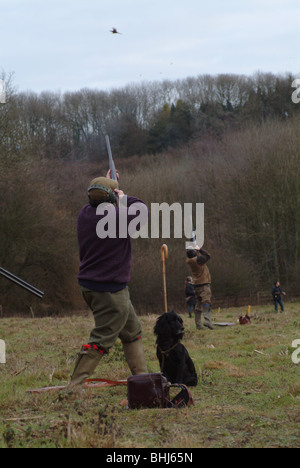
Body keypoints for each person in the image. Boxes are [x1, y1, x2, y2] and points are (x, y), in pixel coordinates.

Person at [69, 171, 148, 386]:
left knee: (132, 332)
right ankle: (73, 388)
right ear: (111, 198)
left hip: (92, 287)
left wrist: (107, 185)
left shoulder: (84, 214)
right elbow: (141, 211)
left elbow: (101, 197)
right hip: (110, 292)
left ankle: (142, 380)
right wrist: (123, 197)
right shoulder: (117, 218)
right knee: (102, 340)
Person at [186, 246, 213, 330]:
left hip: (196, 286)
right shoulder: (197, 260)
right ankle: (207, 320)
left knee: (198, 305)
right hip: (204, 284)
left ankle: (198, 325)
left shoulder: (190, 261)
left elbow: (202, 257)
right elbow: (208, 255)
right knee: (206, 302)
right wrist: (200, 249)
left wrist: (197, 251)